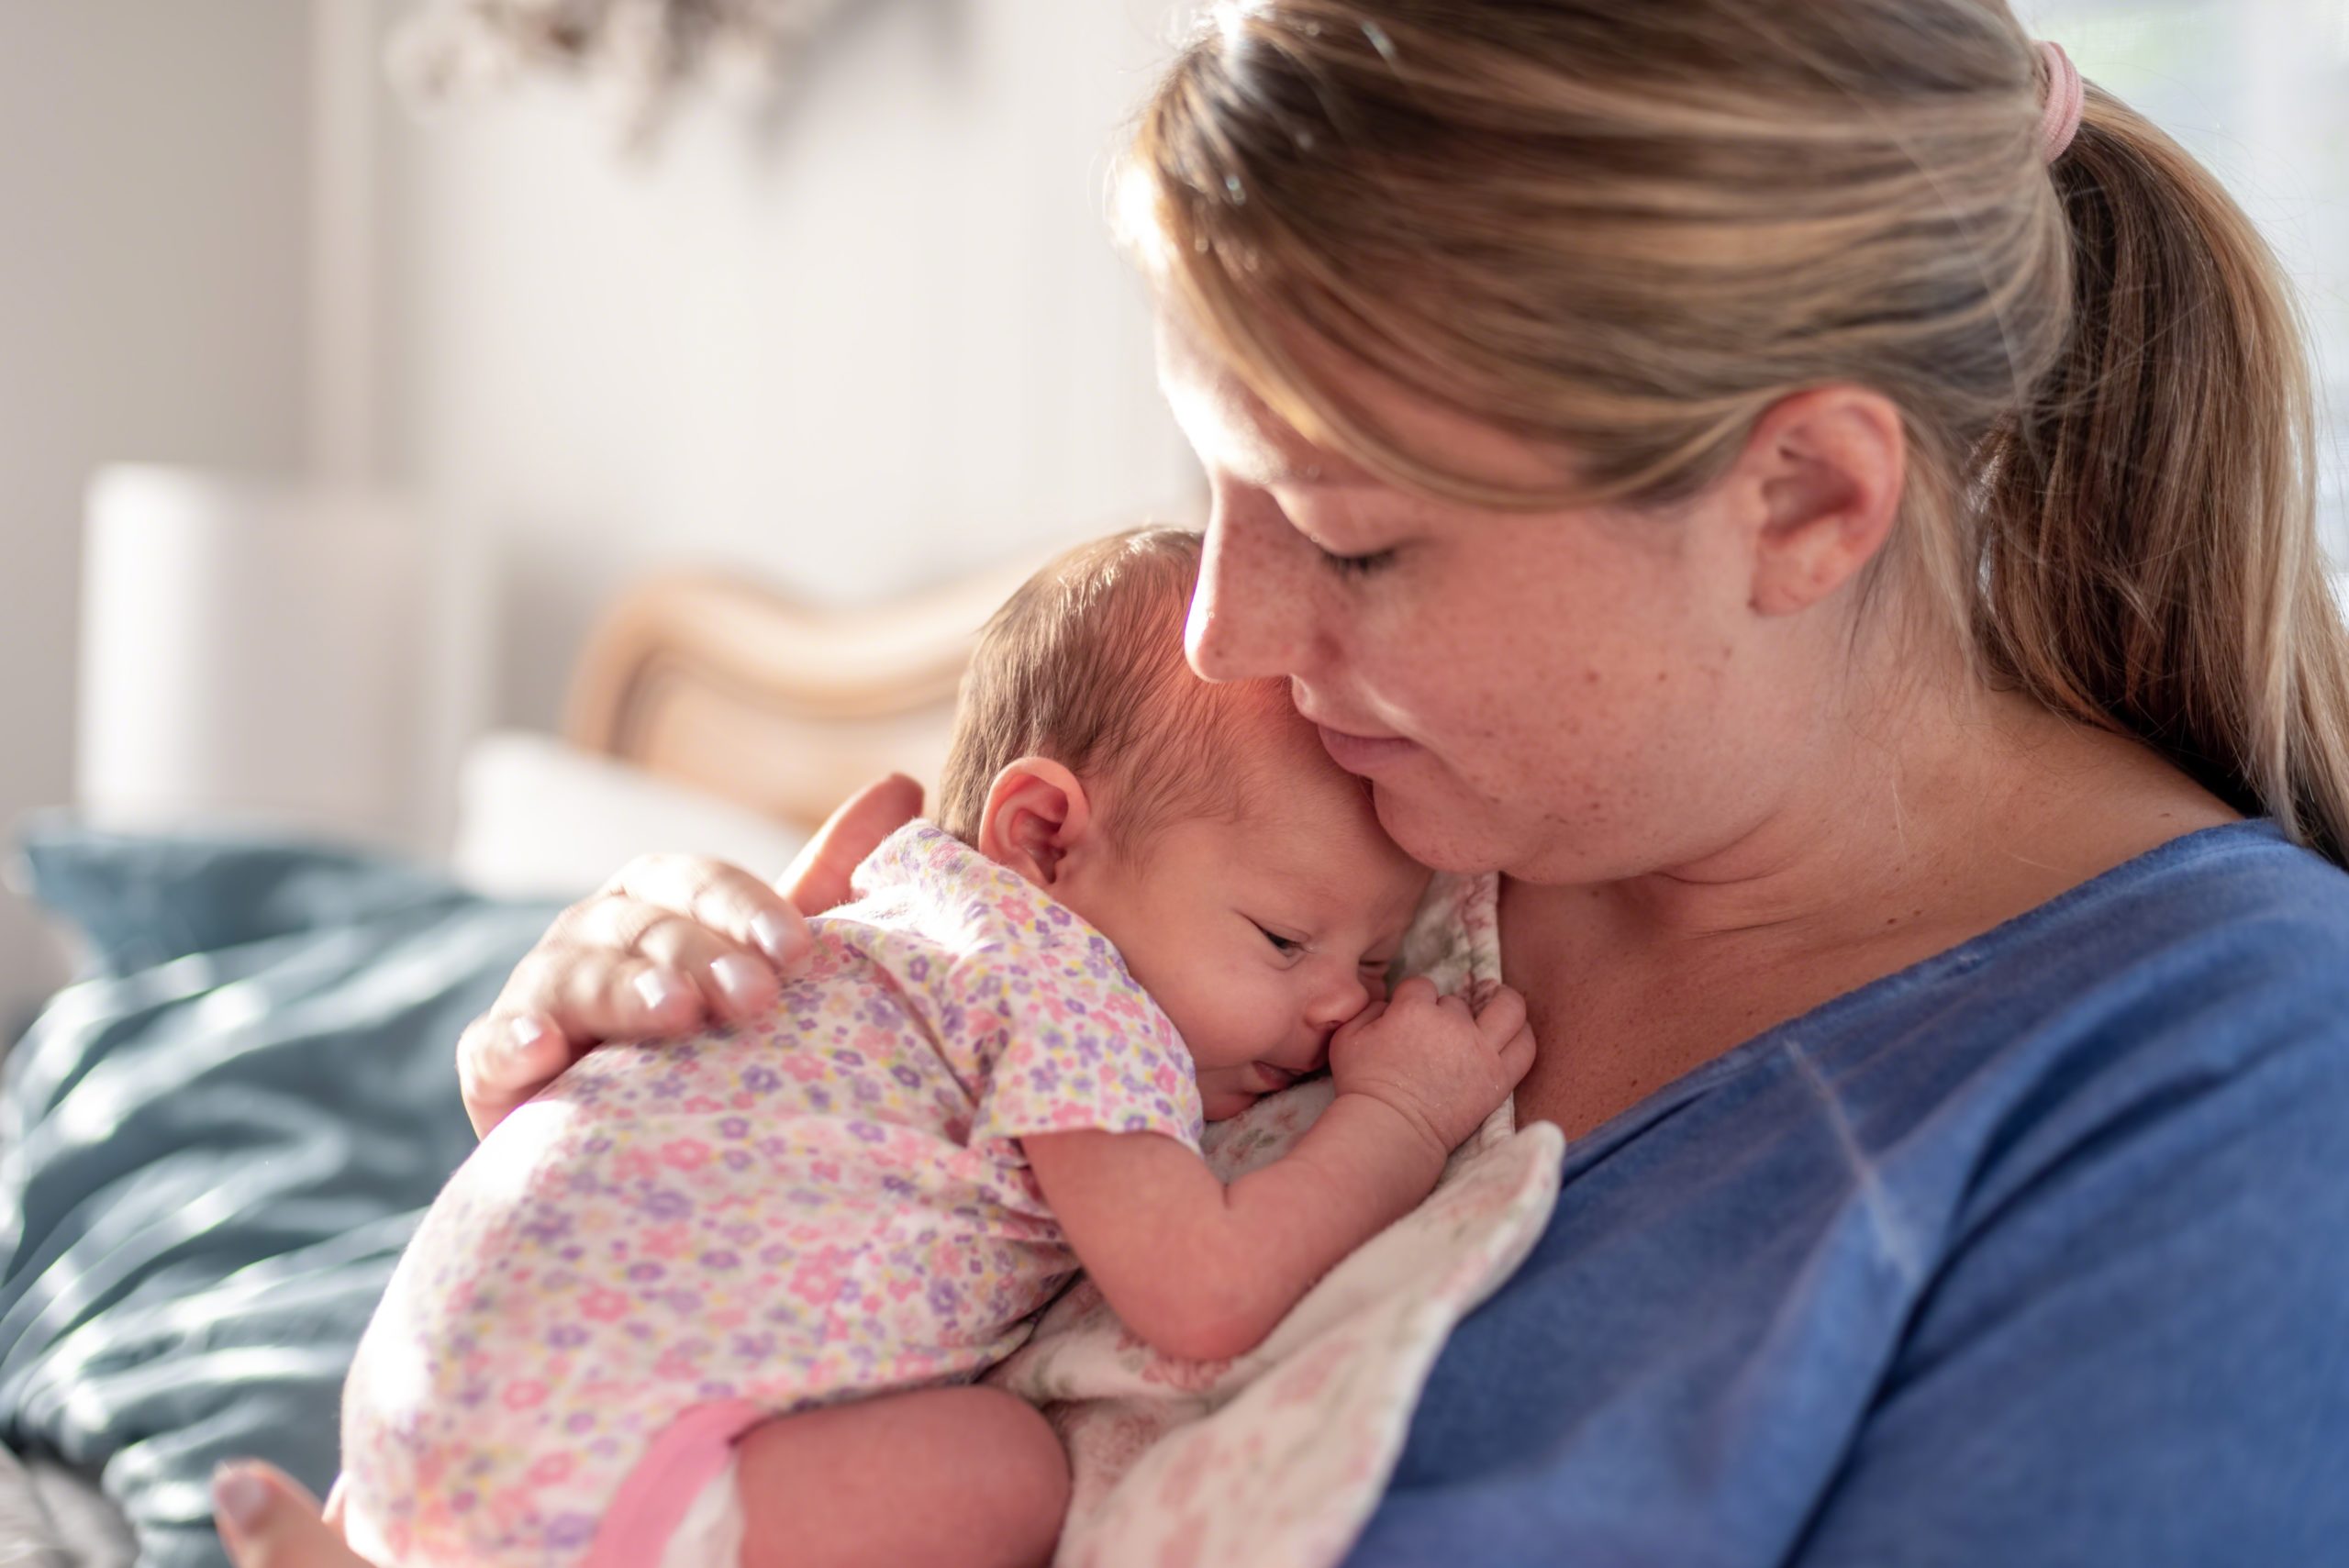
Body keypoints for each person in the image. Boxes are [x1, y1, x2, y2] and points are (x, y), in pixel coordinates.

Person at [216, 3, 2349, 1564]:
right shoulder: (1304, 823)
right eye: (1206, 488)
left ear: (1799, 499)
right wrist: (595, 1048)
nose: (1222, 638)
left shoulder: (2219, 1089)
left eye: (1348, 540)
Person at [335, 528, 1531, 1568]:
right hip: (593, 1479)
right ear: (1047, 837)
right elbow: (1203, 1290)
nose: (1341, 1011)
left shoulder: (889, 907)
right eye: (1283, 938)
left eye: (1374, 963)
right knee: (1009, 1471)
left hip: (411, 1424)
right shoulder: (1063, 983)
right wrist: (1404, 1115)